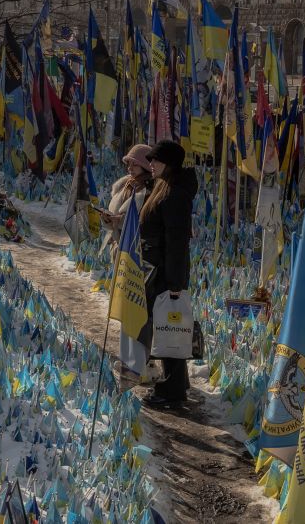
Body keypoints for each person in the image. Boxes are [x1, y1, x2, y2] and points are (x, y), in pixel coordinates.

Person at [140, 139, 198, 408]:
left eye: (155, 160)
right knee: (167, 327)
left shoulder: (175, 195)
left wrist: (175, 284)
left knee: (170, 328)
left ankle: (172, 391)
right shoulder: (165, 188)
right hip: (159, 269)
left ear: (169, 164)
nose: (150, 164)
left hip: (166, 273)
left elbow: (176, 241)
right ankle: (175, 383)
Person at [101, 143, 153, 387]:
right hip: (120, 253)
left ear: (144, 165)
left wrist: (119, 220)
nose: (129, 167)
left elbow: (141, 222)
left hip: (136, 258)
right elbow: (117, 216)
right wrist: (109, 221)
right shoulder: (124, 187)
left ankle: (138, 363)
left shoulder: (148, 191)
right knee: (125, 309)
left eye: (133, 163)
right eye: (128, 164)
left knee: (136, 309)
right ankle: (129, 360)